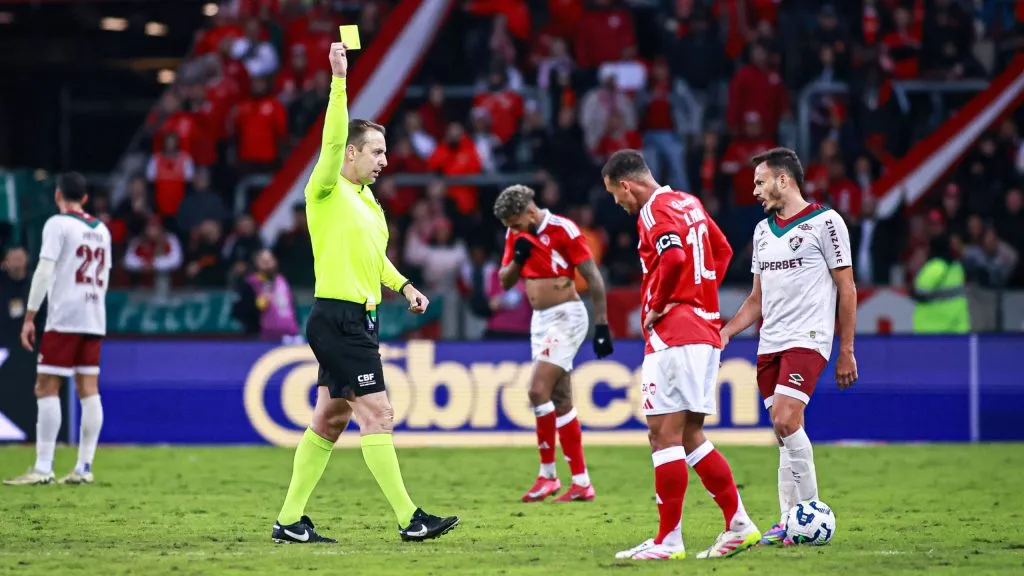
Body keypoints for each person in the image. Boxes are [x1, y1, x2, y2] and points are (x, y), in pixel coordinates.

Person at [270, 42, 459, 545]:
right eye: (376, 151)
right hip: (339, 318)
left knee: (331, 419)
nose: (385, 160)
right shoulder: (326, 189)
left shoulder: (367, 200)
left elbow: (375, 259)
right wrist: (339, 80)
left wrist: (405, 285)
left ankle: (289, 521)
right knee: (379, 413)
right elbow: (332, 139)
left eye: (385, 151)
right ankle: (410, 519)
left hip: (359, 318)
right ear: (351, 153)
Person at [601, 150, 760, 560]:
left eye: (615, 195)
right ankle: (739, 524)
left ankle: (668, 541)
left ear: (626, 185)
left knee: (663, 436)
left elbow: (672, 257)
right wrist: (699, 294)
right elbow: (723, 251)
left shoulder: (653, 211)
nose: (618, 204)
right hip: (703, 329)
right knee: (690, 436)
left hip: (675, 335)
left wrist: (662, 303)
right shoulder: (689, 202)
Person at [719, 147, 858, 545]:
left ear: (784, 179)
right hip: (770, 344)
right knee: (785, 434)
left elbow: (847, 288)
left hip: (808, 339)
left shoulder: (826, 222)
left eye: (760, 182)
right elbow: (756, 300)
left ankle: (811, 514)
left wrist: (846, 349)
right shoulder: (762, 231)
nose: (755, 191)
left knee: (784, 419)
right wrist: (727, 333)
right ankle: (786, 521)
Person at [493, 184, 614, 503]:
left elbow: (593, 277)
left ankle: (548, 475)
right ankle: (582, 482)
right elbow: (505, 281)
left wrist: (602, 324)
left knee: (537, 391)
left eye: (516, 224)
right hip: (540, 321)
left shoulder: (564, 230)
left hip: (567, 315)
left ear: (530, 212)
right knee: (560, 398)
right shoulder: (515, 233)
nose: (514, 230)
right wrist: (518, 258)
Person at [4, 173, 112, 486]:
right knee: (88, 389)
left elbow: (44, 269)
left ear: (57, 195)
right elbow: (105, 274)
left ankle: (43, 467)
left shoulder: (58, 223)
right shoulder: (102, 230)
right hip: (94, 315)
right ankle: (84, 466)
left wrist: (29, 316)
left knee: (46, 386)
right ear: (86, 198)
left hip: (65, 316)